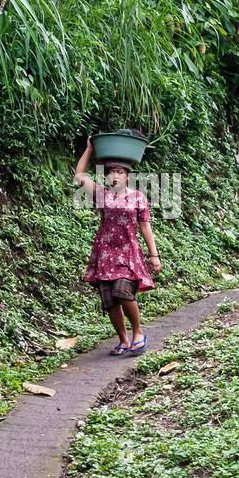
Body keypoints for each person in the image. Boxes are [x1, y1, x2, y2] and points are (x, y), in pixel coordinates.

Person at [75, 136, 160, 355]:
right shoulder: (102, 194)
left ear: (128, 176)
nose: (114, 176)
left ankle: (138, 332)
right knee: (110, 299)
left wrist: (154, 255)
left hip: (128, 252)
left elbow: (145, 227)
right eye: (111, 172)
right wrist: (89, 149)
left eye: (119, 172)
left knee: (122, 291)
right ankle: (123, 340)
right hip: (105, 253)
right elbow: (79, 176)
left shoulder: (138, 197)